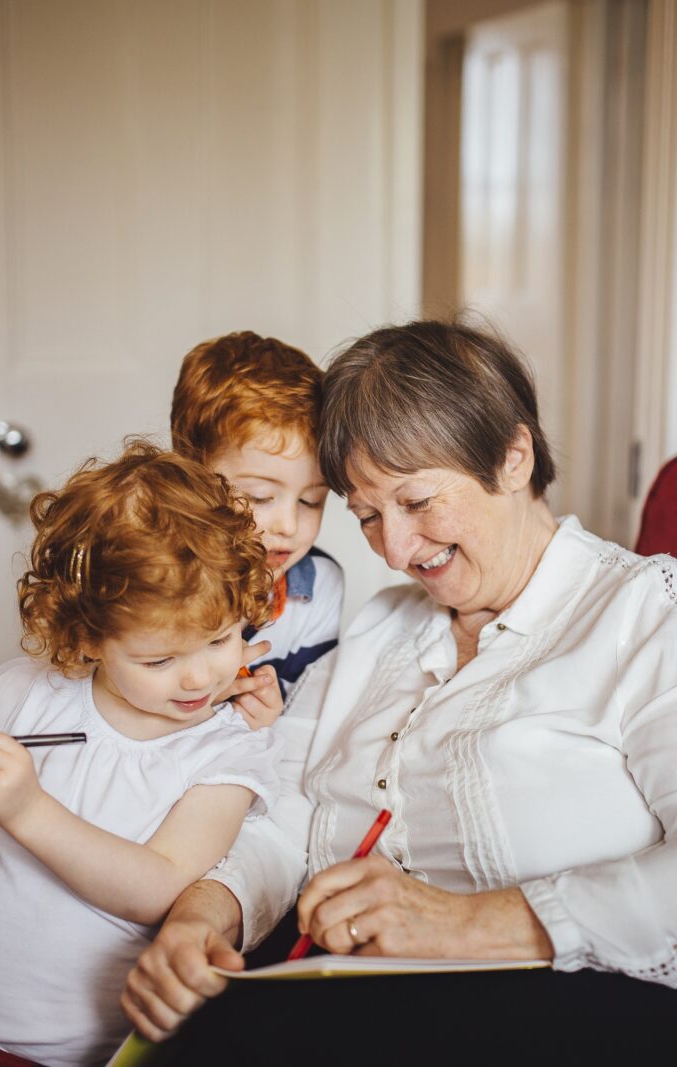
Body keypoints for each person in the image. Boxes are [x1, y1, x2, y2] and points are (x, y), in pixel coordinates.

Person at [122, 321, 677, 1064]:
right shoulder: (382, 627)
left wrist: (467, 923)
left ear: (514, 456)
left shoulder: (647, 615)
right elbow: (287, 813)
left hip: (568, 1006)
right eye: (368, 516)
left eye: (417, 502)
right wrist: (202, 914)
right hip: (335, 993)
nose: (395, 549)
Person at [0, 439, 285, 1067]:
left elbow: (158, 886)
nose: (200, 678)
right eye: (159, 659)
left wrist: (30, 811)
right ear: (89, 636)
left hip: (57, 1054)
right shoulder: (26, 695)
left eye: (221, 639)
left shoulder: (225, 752)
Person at [171, 330, 344, 699]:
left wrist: (265, 725)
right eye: (260, 497)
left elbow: (303, 722)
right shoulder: (146, 576)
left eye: (311, 501)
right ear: (191, 476)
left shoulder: (317, 587)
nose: (288, 526)